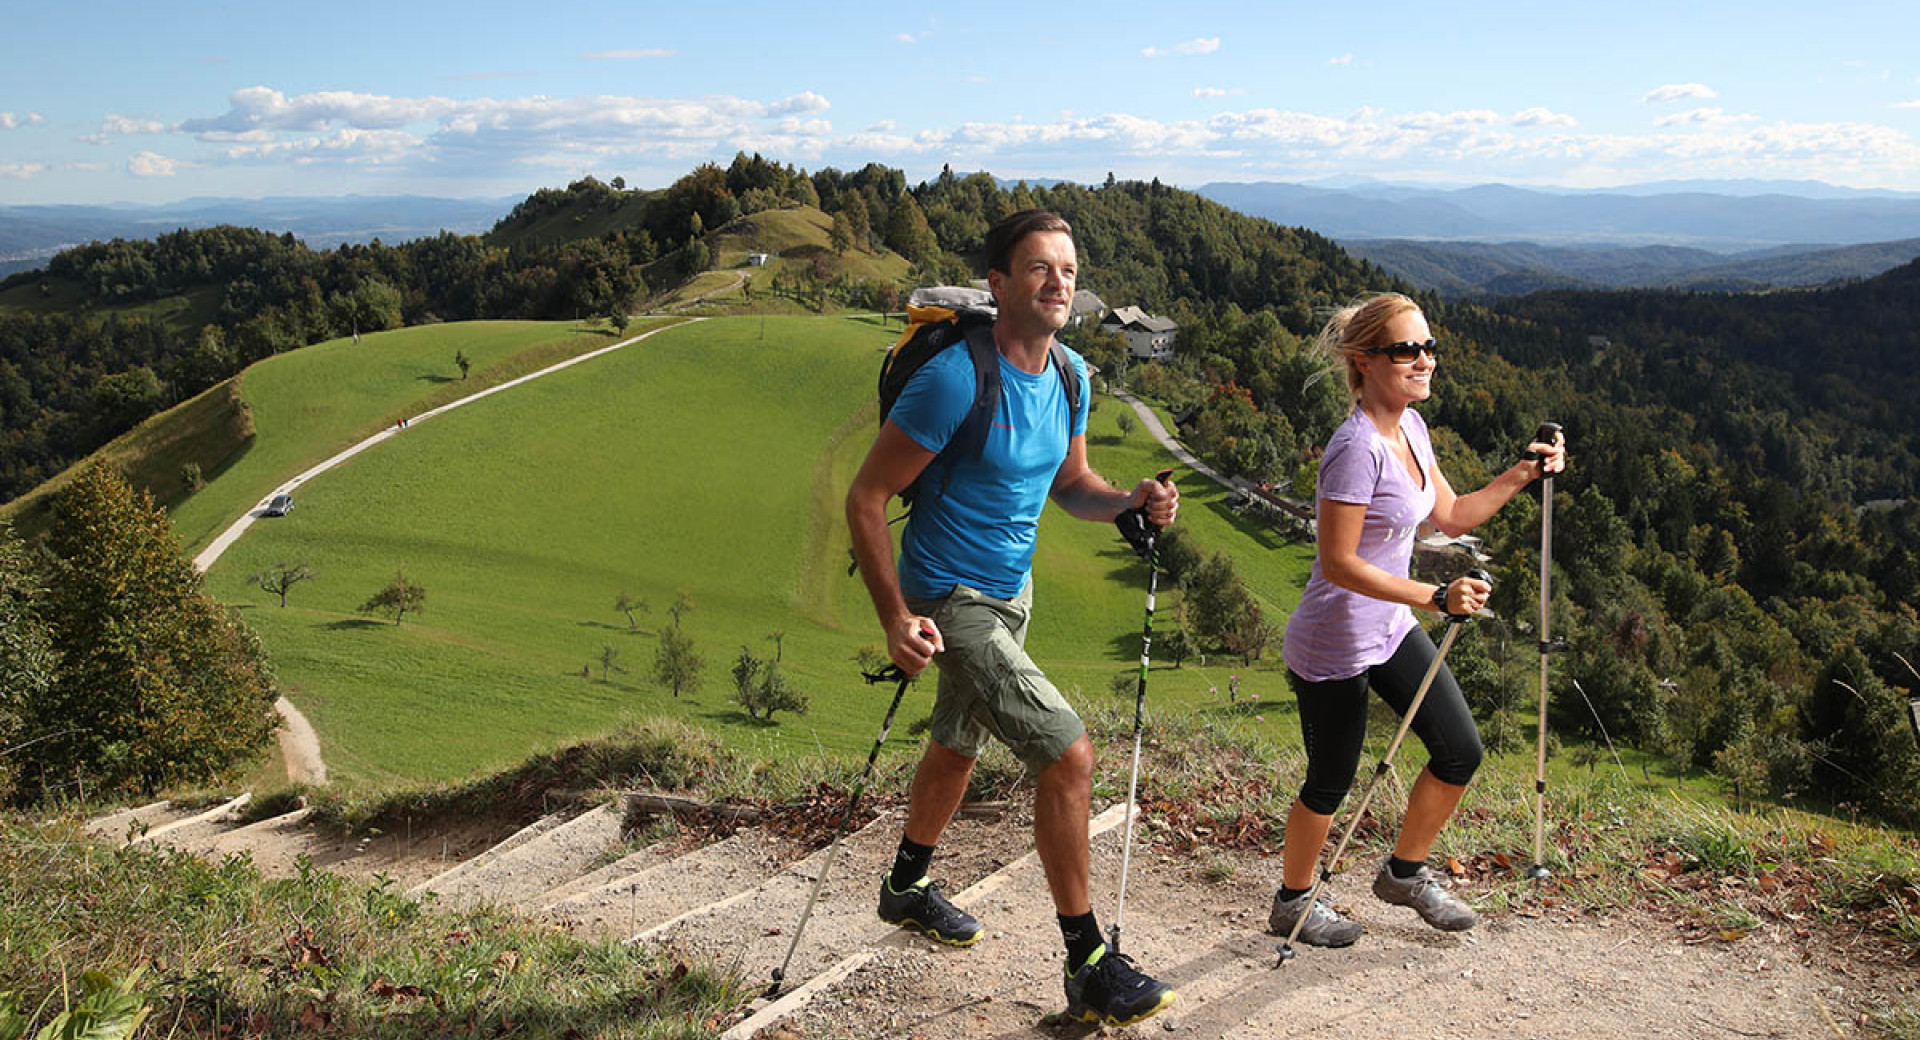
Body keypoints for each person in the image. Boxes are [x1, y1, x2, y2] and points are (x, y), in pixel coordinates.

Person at [845, 209, 1181, 1027]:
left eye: (1067, 269)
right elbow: (866, 497)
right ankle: (1088, 960)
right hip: (946, 598)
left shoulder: (1071, 377)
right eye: (1039, 268)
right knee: (1067, 756)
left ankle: (907, 885)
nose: (1058, 281)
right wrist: (894, 616)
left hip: (1012, 593)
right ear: (999, 285)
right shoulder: (955, 378)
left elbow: (1072, 486)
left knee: (958, 741)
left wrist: (1130, 500)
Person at [1267, 291, 1566, 948]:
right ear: (1365, 360)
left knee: (1460, 751)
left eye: (1428, 347)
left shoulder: (1411, 429)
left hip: (1389, 629)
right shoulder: (1356, 448)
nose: (1424, 359)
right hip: (1334, 641)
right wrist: (1433, 597)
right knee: (1330, 781)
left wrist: (1524, 472)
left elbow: (1452, 516)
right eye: (1407, 349)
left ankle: (1403, 873)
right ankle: (1292, 902)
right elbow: (1339, 563)